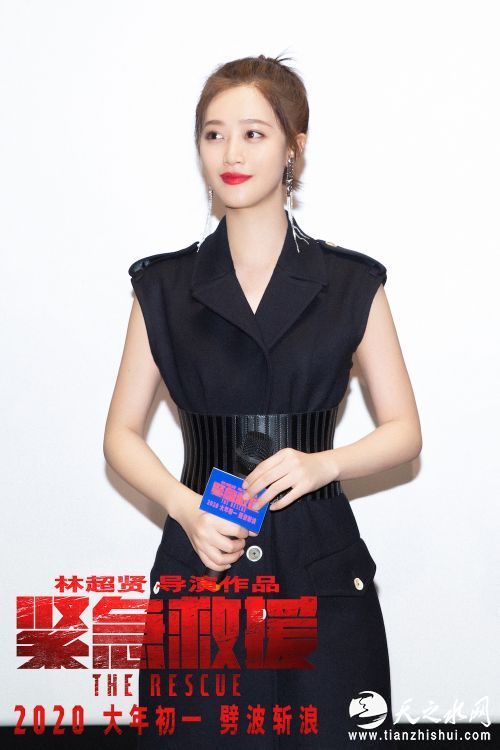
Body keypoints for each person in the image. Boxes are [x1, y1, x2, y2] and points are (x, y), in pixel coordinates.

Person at [104, 54, 422, 749]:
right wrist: (185, 508)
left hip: (318, 561)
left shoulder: (351, 283)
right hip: (206, 552)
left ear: (293, 148)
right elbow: (121, 433)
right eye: (213, 134)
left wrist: (322, 464)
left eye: (254, 133)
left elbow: (404, 430)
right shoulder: (162, 288)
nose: (231, 154)